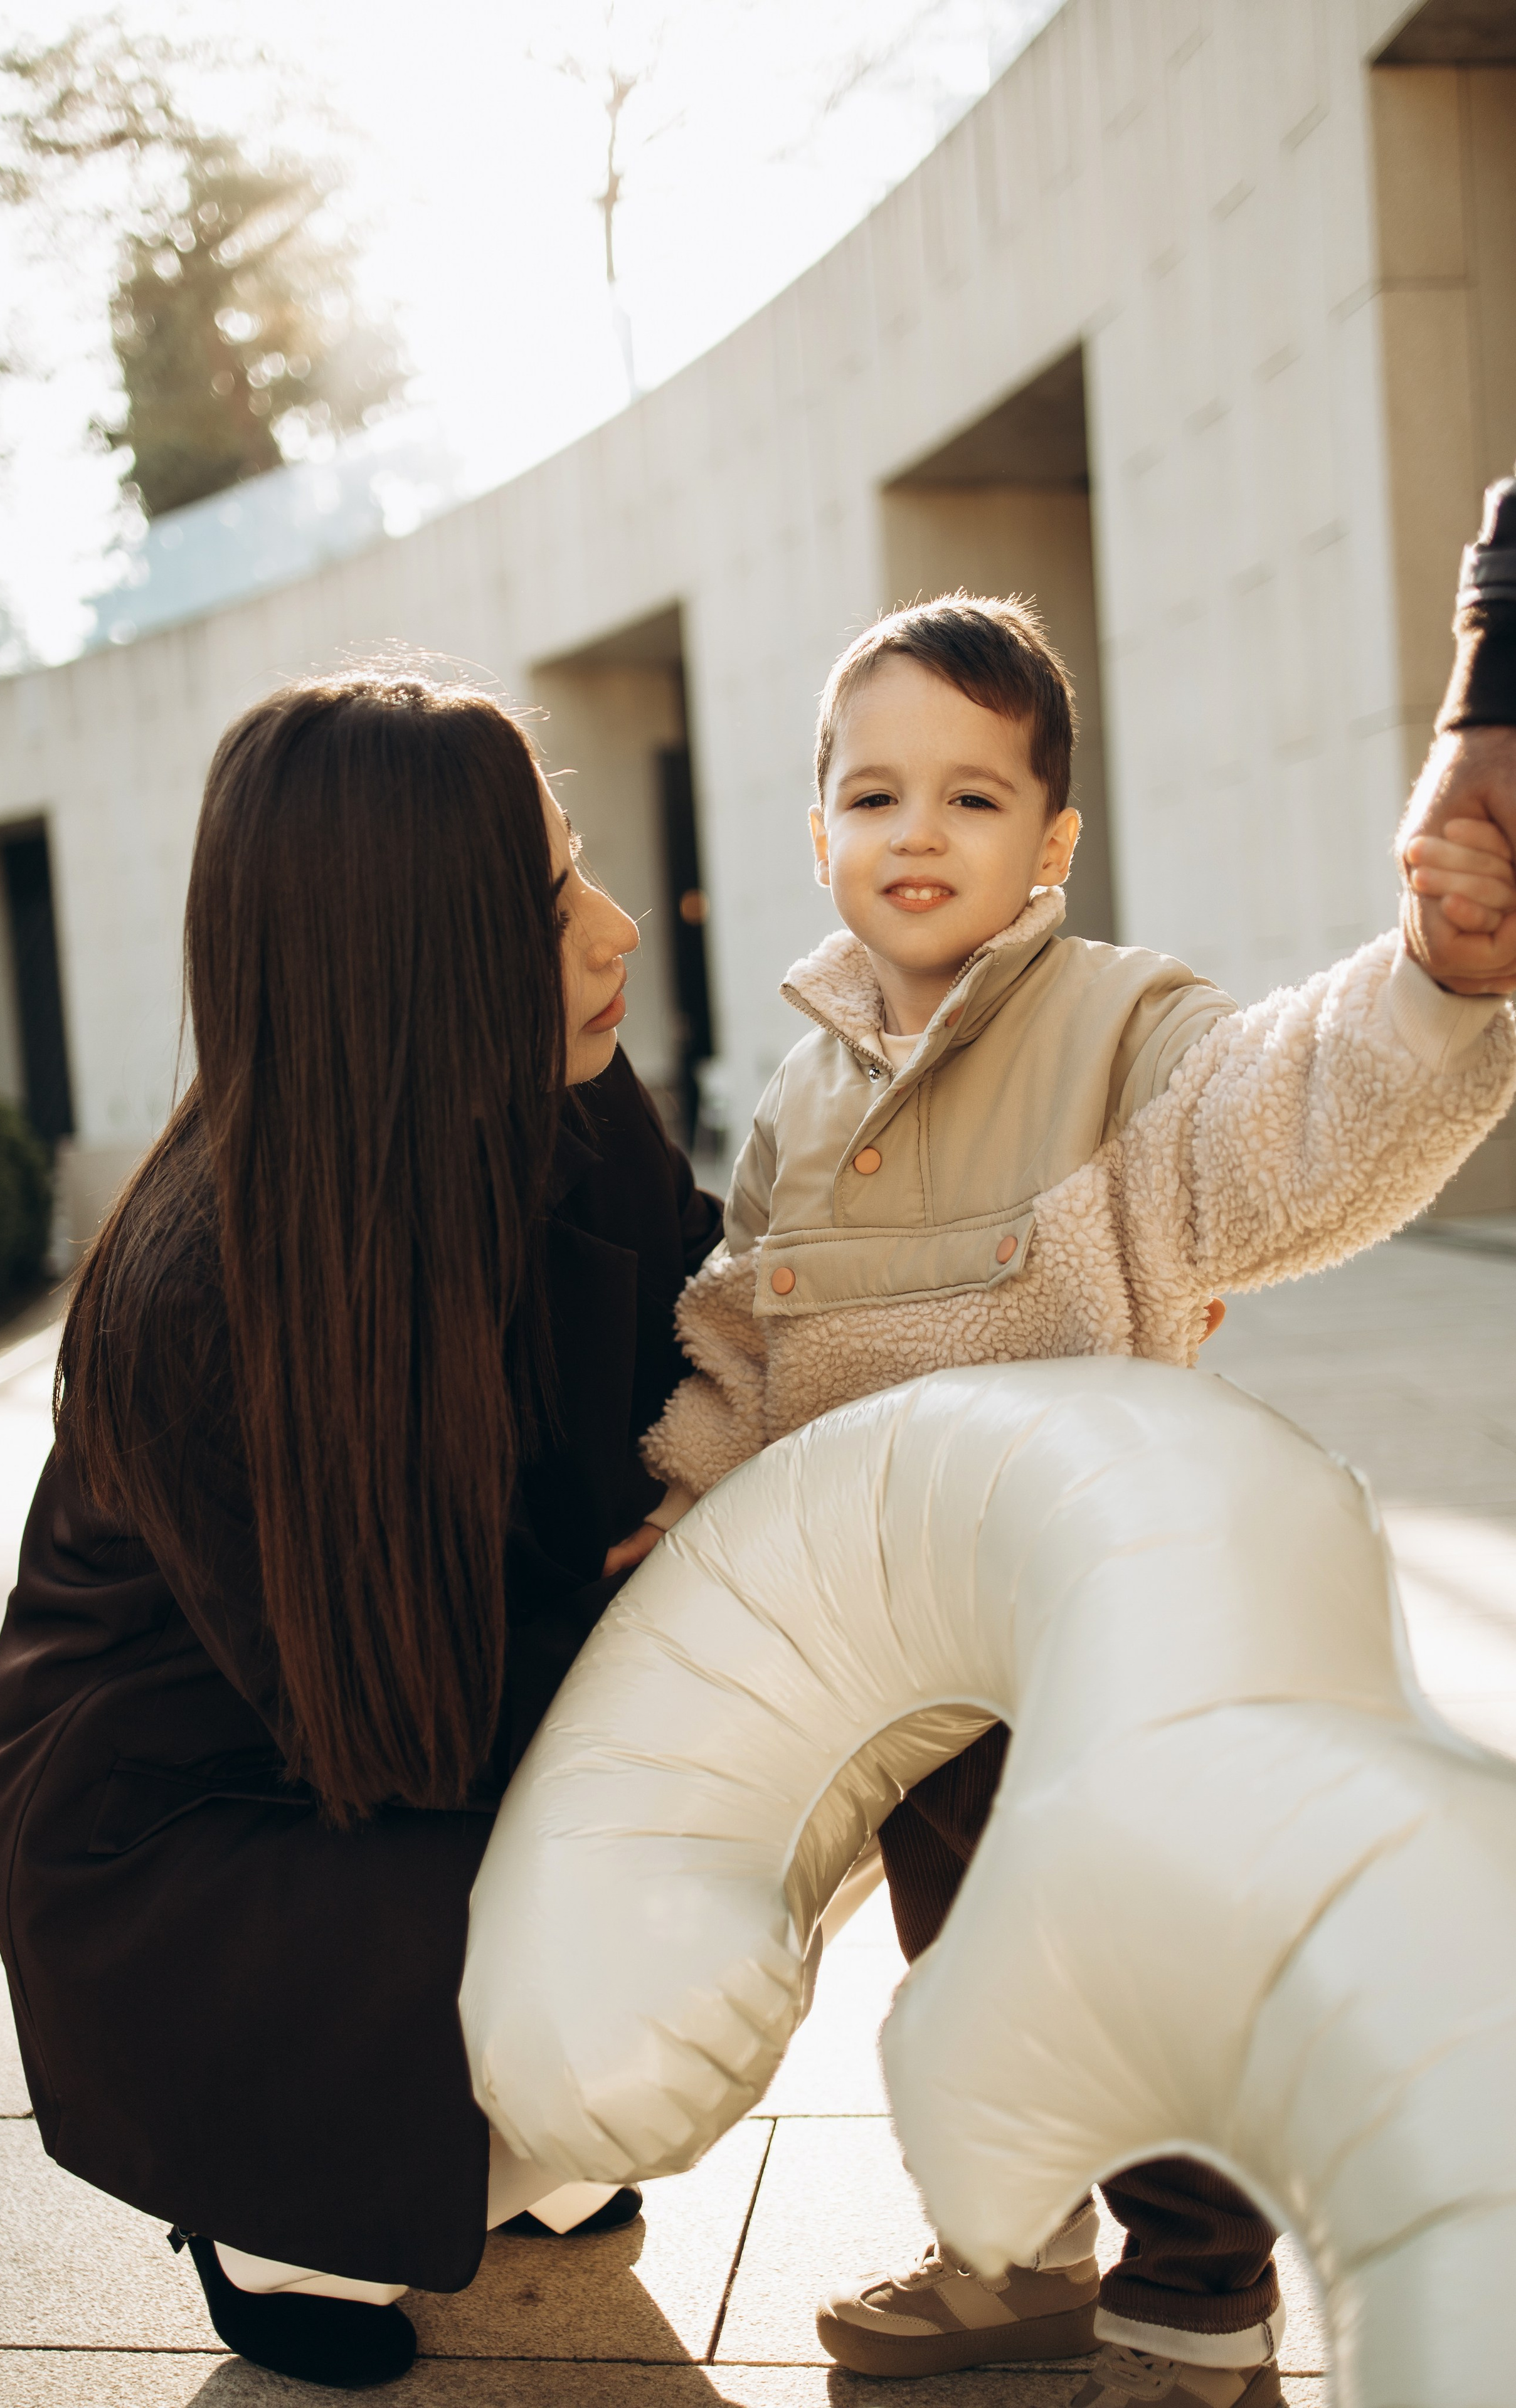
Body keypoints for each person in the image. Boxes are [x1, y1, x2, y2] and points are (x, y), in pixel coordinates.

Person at [643, 517, 1516, 2400]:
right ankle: (1010, 2251)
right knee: (966, 1969)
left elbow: (1290, 1107)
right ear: (819, 839)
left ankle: (1197, 2288)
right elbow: (744, 1335)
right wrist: (688, 1502)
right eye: (874, 793)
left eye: (974, 795)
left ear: (1050, 846)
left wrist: (1436, 979)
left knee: (1138, 1965)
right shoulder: (801, 1092)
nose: (919, 831)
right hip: (915, 1657)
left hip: (1102, 1640)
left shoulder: (1123, 1032)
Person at [0, 675, 721, 2391]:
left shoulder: (572, 1104)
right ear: (405, 963)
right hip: (207, 1866)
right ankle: (278, 2200)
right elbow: (399, 1736)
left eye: (581, 862)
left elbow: (732, 1333)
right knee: (677, 1902)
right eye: (543, 906)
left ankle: (485, 2132)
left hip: (435, 1747)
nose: (615, 929)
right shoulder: (208, 1300)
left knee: (757, 1806)